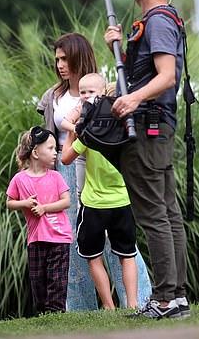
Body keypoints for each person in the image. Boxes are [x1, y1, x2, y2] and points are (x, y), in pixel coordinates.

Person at [104, 0, 189, 319]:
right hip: (159, 125)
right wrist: (118, 49)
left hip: (147, 129)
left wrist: (131, 99)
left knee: (155, 215)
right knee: (167, 213)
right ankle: (177, 295)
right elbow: (146, 72)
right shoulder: (162, 20)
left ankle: (166, 298)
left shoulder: (157, 23)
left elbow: (167, 75)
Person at [36, 32, 142, 310]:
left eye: (65, 58)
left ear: (78, 57)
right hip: (64, 167)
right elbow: (49, 133)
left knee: (116, 243)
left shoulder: (103, 90)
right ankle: (82, 305)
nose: (60, 64)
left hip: (97, 167)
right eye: (57, 59)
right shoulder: (54, 95)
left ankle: (135, 298)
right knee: (74, 241)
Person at [61, 73, 139, 310]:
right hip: (122, 201)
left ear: (103, 93)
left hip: (93, 204)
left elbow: (65, 159)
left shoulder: (90, 132)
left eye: (89, 92)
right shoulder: (125, 131)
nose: (85, 96)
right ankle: (133, 304)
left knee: (94, 257)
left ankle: (108, 304)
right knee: (127, 255)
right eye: (82, 92)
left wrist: (73, 132)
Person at [6, 126, 72, 314]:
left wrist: (44, 208)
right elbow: (10, 203)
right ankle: (43, 314)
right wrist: (25, 203)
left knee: (57, 279)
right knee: (38, 281)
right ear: (35, 152)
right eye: (50, 149)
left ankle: (56, 312)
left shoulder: (56, 177)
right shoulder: (19, 179)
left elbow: (66, 202)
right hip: (35, 239)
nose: (55, 153)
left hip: (59, 237)